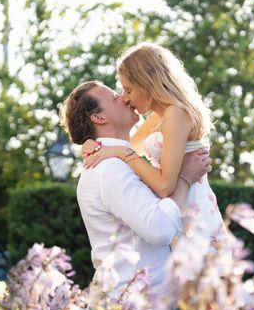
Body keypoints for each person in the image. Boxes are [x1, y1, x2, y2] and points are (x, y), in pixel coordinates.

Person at [61, 80, 212, 310]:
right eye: (115, 97)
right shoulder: (109, 170)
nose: (125, 98)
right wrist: (185, 179)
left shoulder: (119, 161)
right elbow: (159, 230)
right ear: (99, 118)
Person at [81, 43, 226, 251]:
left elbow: (164, 185)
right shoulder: (158, 118)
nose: (125, 97)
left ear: (148, 83)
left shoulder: (177, 114)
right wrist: (94, 147)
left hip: (197, 218)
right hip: (180, 213)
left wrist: (120, 151)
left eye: (129, 89)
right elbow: (126, 150)